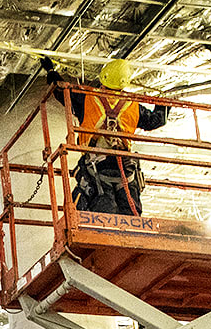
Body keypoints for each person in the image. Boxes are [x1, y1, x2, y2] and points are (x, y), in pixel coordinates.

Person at [67, 58, 170, 217]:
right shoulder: (133, 105)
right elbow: (156, 120)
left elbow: (63, 93)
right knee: (131, 215)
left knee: (101, 212)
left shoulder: (87, 99)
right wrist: (163, 103)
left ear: (103, 78)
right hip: (125, 168)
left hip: (96, 167)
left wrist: (51, 73)